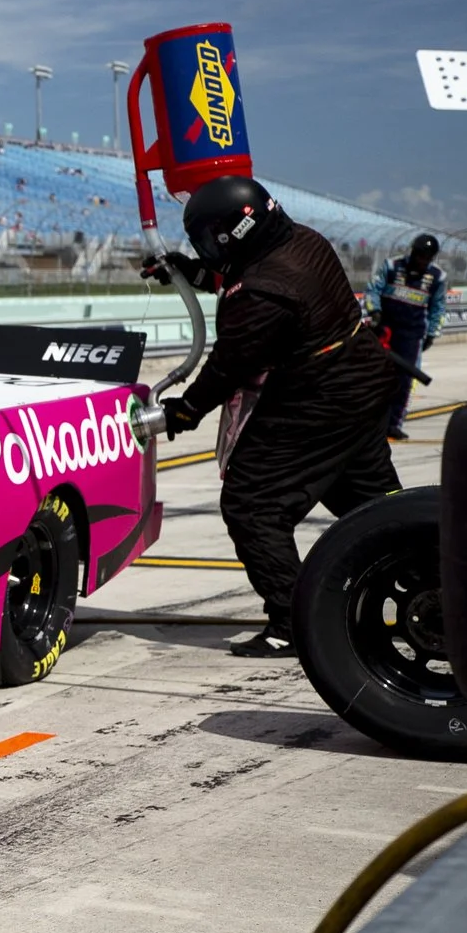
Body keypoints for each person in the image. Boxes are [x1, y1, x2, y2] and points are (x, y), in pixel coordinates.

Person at [148, 177, 400, 659]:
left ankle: (292, 622)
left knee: (252, 503)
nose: (207, 249)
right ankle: (437, 571)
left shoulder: (263, 293)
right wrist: (191, 272)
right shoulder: (301, 239)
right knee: (372, 507)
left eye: (210, 240)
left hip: (321, 400)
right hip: (362, 383)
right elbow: (247, 273)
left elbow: (231, 364)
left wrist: (186, 410)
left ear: (234, 233)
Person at [365, 233, 447, 438]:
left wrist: (432, 334)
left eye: (426, 258)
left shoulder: (437, 277)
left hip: (412, 336)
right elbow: (373, 290)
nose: (422, 261)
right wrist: (375, 312)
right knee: (375, 376)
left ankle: (394, 424)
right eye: (419, 255)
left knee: (404, 380)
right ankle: (369, 421)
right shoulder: (392, 266)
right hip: (385, 331)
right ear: (413, 252)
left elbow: (438, 308)